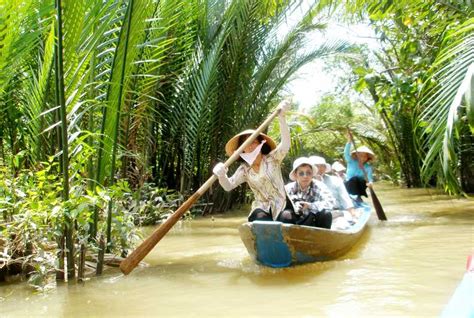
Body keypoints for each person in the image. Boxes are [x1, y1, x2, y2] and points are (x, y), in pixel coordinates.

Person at [212, 100, 294, 223]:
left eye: (254, 142)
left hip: (281, 203)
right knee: (260, 220)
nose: (250, 146)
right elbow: (228, 186)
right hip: (262, 207)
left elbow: (285, 145)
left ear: (261, 144)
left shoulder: (272, 158)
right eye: (246, 144)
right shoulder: (244, 169)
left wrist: (282, 118)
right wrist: (221, 175)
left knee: (286, 218)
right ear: (242, 149)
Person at [284, 157, 334, 229]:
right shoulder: (288, 188)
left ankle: (321, 239)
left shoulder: (319, 186)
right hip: (295, 222)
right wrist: (294, 206)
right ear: (296, 175)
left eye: (308, 173)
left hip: (313, 222)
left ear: (312, 174)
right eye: (301, 173)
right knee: (286, 214)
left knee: (326, 214)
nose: (305, 176)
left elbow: (330, 202)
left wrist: (310, 206)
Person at [344, 136, 375, 203]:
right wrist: (349, 142)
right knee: (354, 179)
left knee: (359, 180)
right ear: (356, 155)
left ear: (367, 158)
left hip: (360, 186)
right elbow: (346, 154)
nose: (362, 157)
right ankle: (353, 197)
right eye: (360, 155)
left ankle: (358, 197)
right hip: (349, 184)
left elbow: (370, 178)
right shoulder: (351, 161)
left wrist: (370, 183)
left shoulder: (368, 167)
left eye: (364, 156)